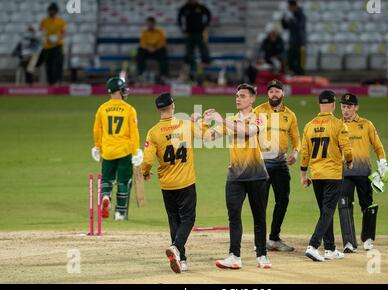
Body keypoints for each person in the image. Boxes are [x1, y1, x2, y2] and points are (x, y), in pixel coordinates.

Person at [204, 84, 272, 269]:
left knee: (259, 217)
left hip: (256, 174)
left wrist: (221, 120)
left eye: (242, 96)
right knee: (234, 215)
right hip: (235, 175)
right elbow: (208, 137)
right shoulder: (231, 120)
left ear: (252, 99)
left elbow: (246, 131)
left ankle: (262, 255)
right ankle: (234, 256)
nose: (238, 98)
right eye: (236, 95)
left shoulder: (260, 118)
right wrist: (201, 122)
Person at [141, 93, 208, 274]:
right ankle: (177, 248)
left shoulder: (153, 132)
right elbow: (205, 136)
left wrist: (146, 172)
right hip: (186, 181)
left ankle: (182, 260)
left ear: (158, 109)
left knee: (174, 220)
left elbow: (147, 160)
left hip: (167, 184)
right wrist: (200, 120)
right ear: (173, 106)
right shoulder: (186, 125)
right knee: (188, 219)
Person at [300, 90, 353, 262]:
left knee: (325, 211)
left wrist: (303, 174)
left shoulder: (309, 125)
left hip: (316, 175)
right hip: (332, 174)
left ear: (319, 104)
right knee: (328, 210)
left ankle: (330, 249)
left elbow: (305, 153)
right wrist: (349, 162)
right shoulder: (338, 124)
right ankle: (313, 245)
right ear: (333, 104)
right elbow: (347, 148)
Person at [338, 93, 388, 253]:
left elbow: (378, 146)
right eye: (343, 107)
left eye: (349, 107)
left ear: (356, 107)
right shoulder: (337, 125)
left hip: (363, 172)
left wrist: (382, 161)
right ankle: (349, 242)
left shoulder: (366, 125)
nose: (345, 110)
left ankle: (367, 239)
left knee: (368, 206)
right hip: (344, 173)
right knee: (345, 206)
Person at [254, 79, 301, 252]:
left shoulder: (290, 115)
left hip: (281, 164)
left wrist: (295, 154)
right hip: (262, 163)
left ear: (283, 93)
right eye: (271, 91)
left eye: (277, 91)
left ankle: (273, 238)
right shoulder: (258, 111)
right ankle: (260, 241)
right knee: (260, 203)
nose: (274, 94)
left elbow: (296, 140)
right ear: (267, 94)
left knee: (283, 200)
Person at [91, 77, 143, 221]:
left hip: (107, 151)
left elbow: (97, 130)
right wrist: (136, 151)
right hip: (124, 151)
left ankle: (106, 196)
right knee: (123, 182)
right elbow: (134, 132)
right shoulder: (129, 109)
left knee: (107, 179)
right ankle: (120, 214)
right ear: (118, 91)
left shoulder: (102, 108)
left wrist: (97, 147)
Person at [177, 0, 211, 73]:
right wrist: (182, 28)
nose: (192, 1)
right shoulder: (185, 7)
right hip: (189, 33)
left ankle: (205, 61)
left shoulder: (200, 7)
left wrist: (205, 25)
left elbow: (208, 14)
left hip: (199, 32)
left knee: (203, 48)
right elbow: (179, 17)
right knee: (189, 50)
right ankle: (190, 65)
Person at [38, 3, 66, 85]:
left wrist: (56, 39)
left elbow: (63, 33)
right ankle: (51, 83)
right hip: (47, 46)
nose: (51, 12)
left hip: (58, 45)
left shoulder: (61, 21)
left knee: (58, 64)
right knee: (49, 65)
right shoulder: (44, 21)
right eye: (50, 10)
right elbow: (40, 32)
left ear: (56, 11)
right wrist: (45, 38)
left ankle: (59, 81)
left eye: (53, 10)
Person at [136, 17, 169, 83]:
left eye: (151, 23)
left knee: (163, 51)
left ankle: (163, 75)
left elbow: (162, 42)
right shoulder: (144, 32)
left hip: (157, 49)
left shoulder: (159, 32)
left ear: (154, 24)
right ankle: (141, 74)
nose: (150, 25)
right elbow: (142, 43)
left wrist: (155, 48)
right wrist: (148, 47)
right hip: (147, 50)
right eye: (148, 23)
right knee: (140, 51)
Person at [281, 0, 307, 75]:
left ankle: (301, 79)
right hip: (292, 43)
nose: (288, 8)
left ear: (293, 6)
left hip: (300, 43)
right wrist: (283, 20)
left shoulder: (301, 15)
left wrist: (292, 20)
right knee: (290, 62)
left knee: (300, 64)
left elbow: (300, 26)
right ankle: (296, 76)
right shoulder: (292, 15)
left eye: (289, 6)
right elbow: (286, 27)